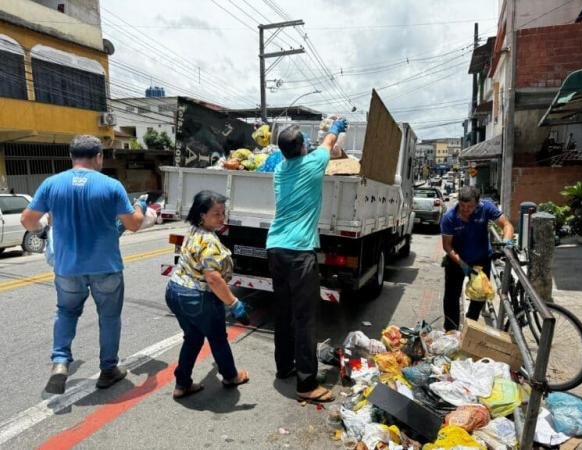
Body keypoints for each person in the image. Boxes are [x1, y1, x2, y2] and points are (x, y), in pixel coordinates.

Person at [20, 135, 146, 394]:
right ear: (99, 157)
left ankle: (60, 362)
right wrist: (140, 207)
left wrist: (44, 225)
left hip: (67, 267)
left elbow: (27, 221)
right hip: (105, 266)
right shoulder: (111, 185)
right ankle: (108, 369)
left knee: (66, 312)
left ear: (71, 157)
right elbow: (133, 224)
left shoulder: (51, 184)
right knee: (109, 318)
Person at [266, 118, 347, 404]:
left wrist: (325, 137)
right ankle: (306, 384)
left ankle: (284, 367)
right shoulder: (313, 164)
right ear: (301, 147)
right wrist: (336, 127)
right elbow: (329, 142)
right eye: (304, 143)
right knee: (305, 319)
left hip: (275, 248)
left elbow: (319, 146)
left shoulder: (278, 170)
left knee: (284, 313)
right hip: (300, 252)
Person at [165, 190, 250, 399]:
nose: (222, 218)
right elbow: (213, 278)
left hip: (175, 291)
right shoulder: (209, 242)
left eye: (223, 213)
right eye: (216, 214)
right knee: (218, 338)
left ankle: (182, 384)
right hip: (197, 297)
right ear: (202, 215)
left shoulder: (194, 229)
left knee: (193, 337)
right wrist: (234, 303)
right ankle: (231, 376)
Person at [440, 186, 514, 331]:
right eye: (462, 205)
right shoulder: (449, 217)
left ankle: (470, 326)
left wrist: (507, 241)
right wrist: (462, 264)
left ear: (477, 204)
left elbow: (506, 224)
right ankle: (451, 330)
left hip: (481, 259)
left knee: (480, 295)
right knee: (451, 297)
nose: (465, 209)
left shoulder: (486, 207)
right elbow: (447, 246)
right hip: (457, 261)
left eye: (469, 206)